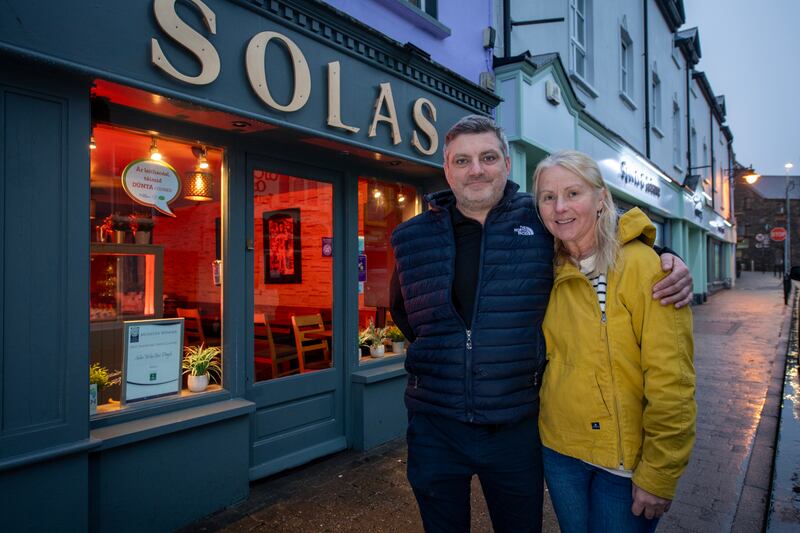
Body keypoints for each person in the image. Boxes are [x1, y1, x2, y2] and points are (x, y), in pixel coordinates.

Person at [389, 115, 693, 533]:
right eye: (462, 160)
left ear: (506, 163)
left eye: (488, 157)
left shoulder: (540, 218)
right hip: (435, 426)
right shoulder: (411, 238)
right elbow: (405, 315)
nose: (476, 170)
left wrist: (666, 255)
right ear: (446, 169)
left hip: (515, 427)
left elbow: (602, 229)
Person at [533, 150, 696, 533]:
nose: (560, 207)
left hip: (624, 465)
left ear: (600, 198)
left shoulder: (646, 268)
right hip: (561, 452)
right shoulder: (543, 267)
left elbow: (673, 381)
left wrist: (660, 471)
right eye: (548, 197)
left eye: (573, 193)